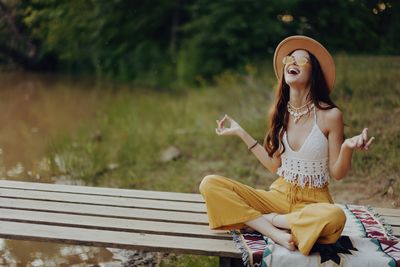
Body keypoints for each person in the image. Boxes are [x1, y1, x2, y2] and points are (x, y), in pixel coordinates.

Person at [199, 35, 375, 256]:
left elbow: (337, 173)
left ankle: (259, 221)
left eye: (301, 60)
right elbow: (274, 166)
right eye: (289, 59)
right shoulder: (280, 113)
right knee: (210, 184)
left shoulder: (330, 116)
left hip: (313, 203)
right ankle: (275, 232)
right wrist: (241, 132)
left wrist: (347, 147)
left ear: (314, 73)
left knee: (335, 217)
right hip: (279, 195)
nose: (292, 62)